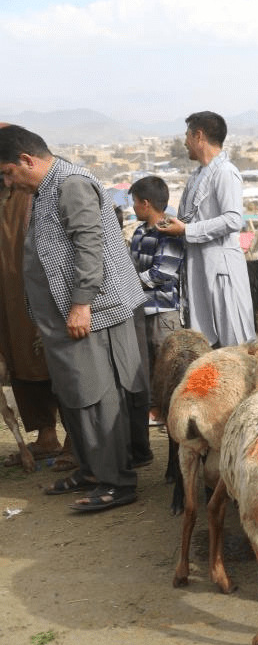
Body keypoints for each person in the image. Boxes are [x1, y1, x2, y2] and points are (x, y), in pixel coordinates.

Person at [0, 125, 147, 510]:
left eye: (9, 173)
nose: (9, 183)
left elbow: (89, 245)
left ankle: (118, 482)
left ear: (27, 161)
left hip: (91, 314)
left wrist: (81, 303)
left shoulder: (71, 184)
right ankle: (92, 470)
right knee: (76, 398)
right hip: (66, 320)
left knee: (98, 399)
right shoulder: (46, 186)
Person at [0, 146, 72, 470]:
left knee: (58, 360)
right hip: (9, 293)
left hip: (42, 289)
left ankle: (76, 441)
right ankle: (46, 437)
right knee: (19, 359)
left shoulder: (39, 188)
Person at [159, 111, 255, 347]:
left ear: (198, 136)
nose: (184, 142)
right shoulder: (198, 175)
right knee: (206, 344)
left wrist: (186, 231)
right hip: (199, 267)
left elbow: (233, 220)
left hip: (222, 270)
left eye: (187, 136)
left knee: (234, 341)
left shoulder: (225, 172)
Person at [128, 175, 184, 425]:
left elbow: (164, 272)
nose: (133, 207)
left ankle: (168, 409)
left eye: (135, 202)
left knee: (167, 362)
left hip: (164, 310)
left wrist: (131, 282)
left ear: (146, 203)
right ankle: (153, 410)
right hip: (142, 309)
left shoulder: (168, 232)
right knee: (148, 361)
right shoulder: (140, 233)